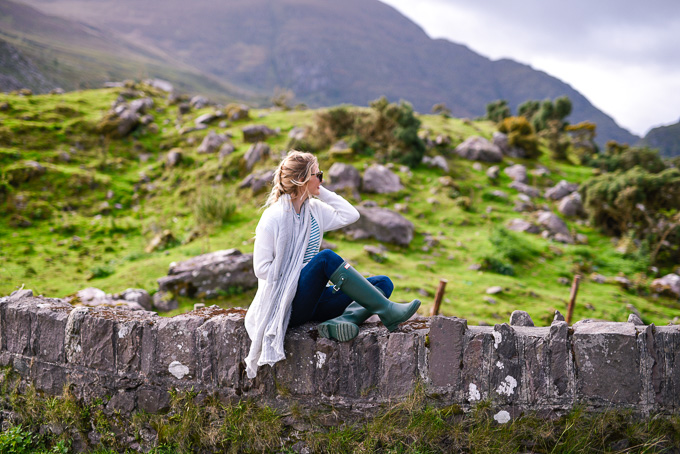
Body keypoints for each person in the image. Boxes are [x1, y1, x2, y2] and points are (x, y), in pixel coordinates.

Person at [244, 150, 420, 378]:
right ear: (303, 178)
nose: (323, 179)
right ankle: (387, 311)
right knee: (326, 258)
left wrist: (319, 191)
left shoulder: (314, 210)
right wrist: (299, 275)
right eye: (319, 175)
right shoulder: (273, 217)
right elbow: (262, 269)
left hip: (313, 299)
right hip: (287, 304)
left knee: (381, 283)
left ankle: (343, 321)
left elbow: (351, 215)